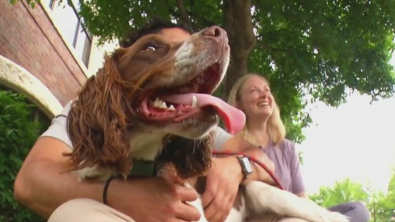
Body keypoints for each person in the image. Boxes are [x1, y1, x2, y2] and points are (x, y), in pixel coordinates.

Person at [13, 19, 276, 222]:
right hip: (100, 210)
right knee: (72, 214)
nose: (186, 53)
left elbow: (263, 161)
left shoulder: (194, 123)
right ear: (122, 74)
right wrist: (118, 195)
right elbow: (29, 182)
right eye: (157, 49)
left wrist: (237, 167)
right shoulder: (88, 110)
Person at [218, 73, 371, 222]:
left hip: (297, 213)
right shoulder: (229, 147)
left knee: (358, 210)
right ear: (239, 105)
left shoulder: (287, 148)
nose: (264, 95)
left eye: (267, 90)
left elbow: (302, 199)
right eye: (254, 91)